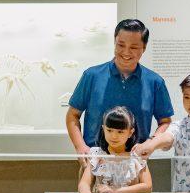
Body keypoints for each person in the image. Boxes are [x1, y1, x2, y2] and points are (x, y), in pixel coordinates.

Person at [65, 19, 174, 159]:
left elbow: (165, 121)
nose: (126, 52)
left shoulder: (155, 82)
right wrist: (80, 147)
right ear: (114, 43)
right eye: (121, 45)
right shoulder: (91, 75)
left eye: (134, 47)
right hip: (94, 160)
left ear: (144, 48)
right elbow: (72, 115)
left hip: (135, 161)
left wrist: (150, 143)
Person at [78, 106, 152, 193]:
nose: (114, 136)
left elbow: (147, 186)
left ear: (130, 132)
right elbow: (84, 183)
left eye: (120, 132)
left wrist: (116, 191)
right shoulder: (96, 155)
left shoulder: (137, 155)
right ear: (103, 129)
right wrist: (86, 192)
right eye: (109, 130)